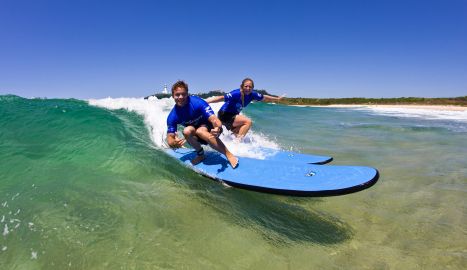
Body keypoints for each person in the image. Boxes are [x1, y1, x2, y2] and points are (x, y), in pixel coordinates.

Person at [166, 80, 238, 168]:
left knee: (201, 131)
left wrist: (217, 128)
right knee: (186, 131)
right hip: (196, 135)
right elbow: (170, 137)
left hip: (212, 130)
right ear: (173, 96)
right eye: (177, 94)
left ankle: (229, 154)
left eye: (183, 94)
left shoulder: (197, 102)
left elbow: (214, 119)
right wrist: (173, 142)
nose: (180, 97)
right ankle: (200, 154)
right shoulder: (173, 116)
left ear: (187, 94)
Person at [206, 78, 284, 140]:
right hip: (225, 114)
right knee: (248, 122)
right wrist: (207, 101)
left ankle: (230, 143)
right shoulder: (236, 93)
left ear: (252, 88)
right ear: (242, 86)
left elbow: (264, 97)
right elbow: (222, 98)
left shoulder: (253, 94)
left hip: (233, 116)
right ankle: (238, 144)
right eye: (246, 86)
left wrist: (277, 99)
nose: (248, 88)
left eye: (250, 87)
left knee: (238, 132)